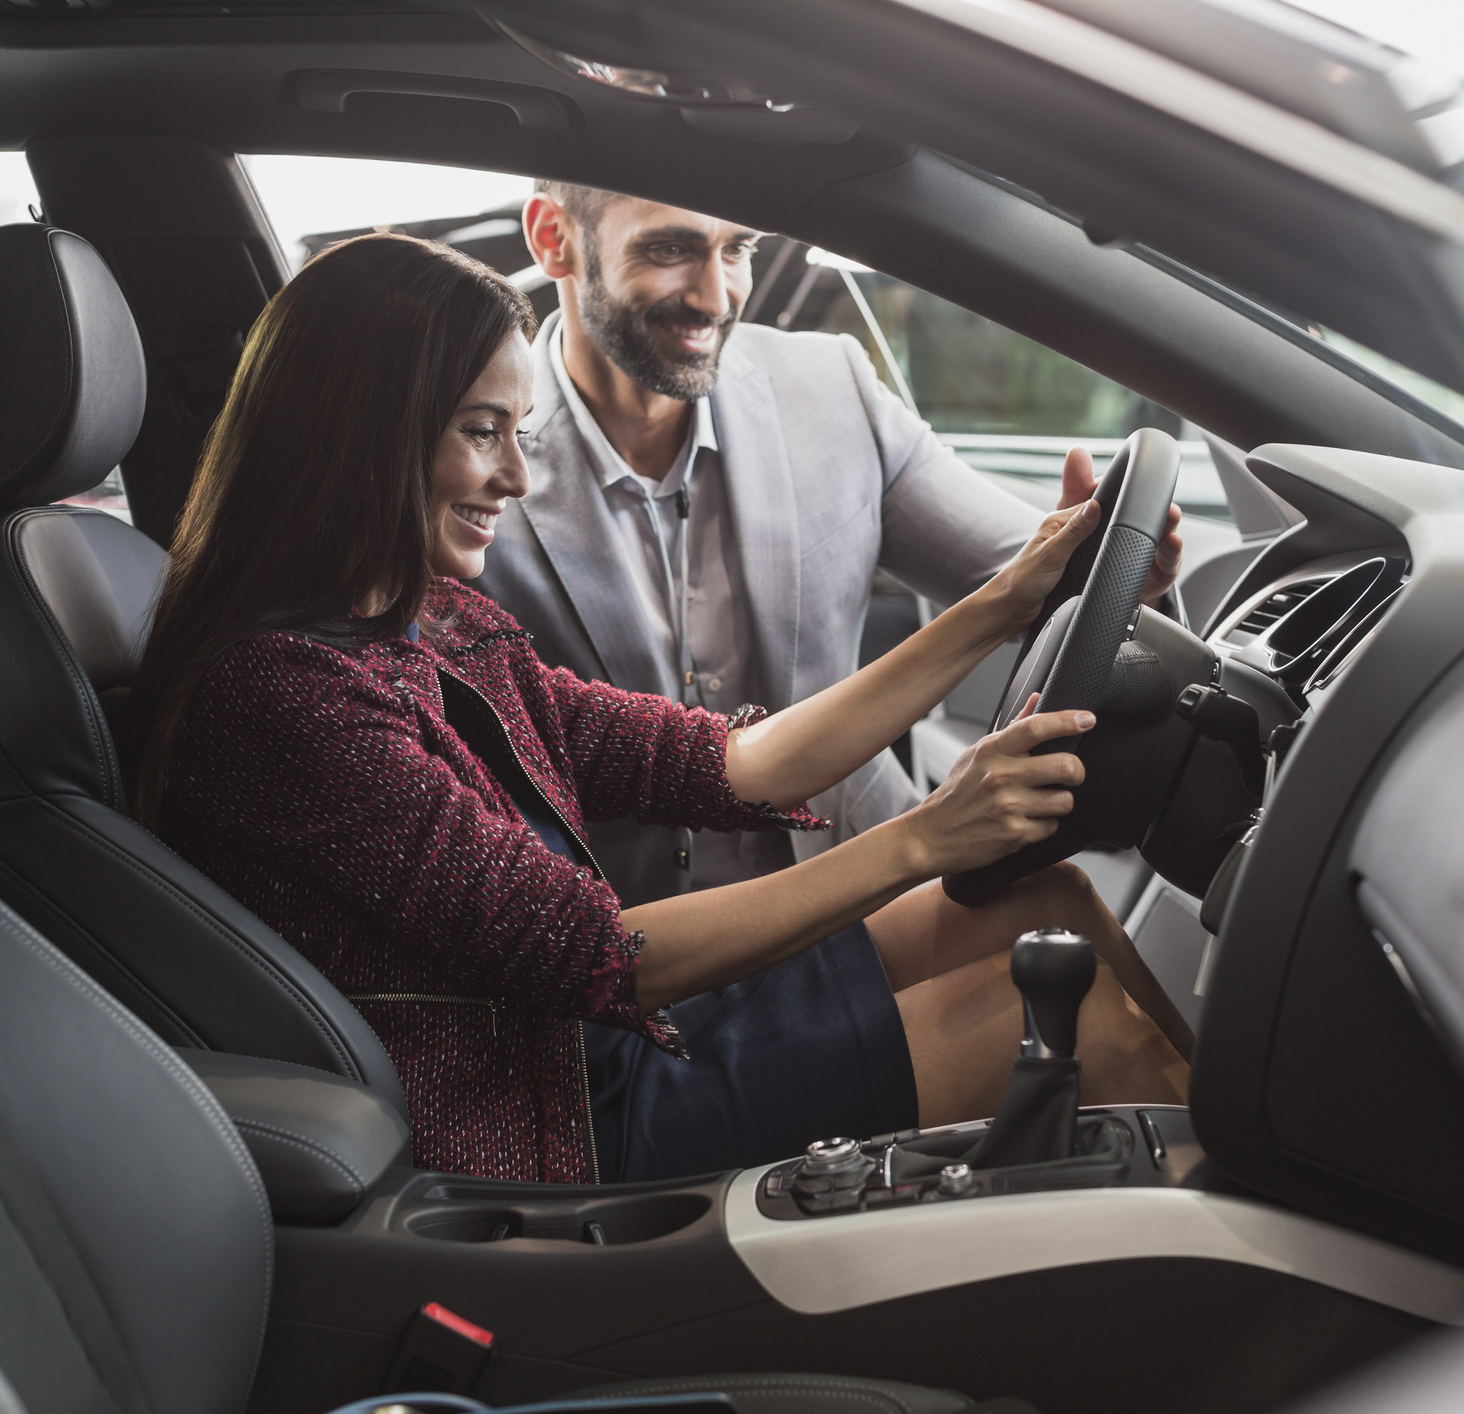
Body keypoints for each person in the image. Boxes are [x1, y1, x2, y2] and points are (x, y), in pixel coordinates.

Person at [133, 234, 1193, 1184]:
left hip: (610, 1044)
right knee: (1072, 1021)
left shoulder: (437, 624)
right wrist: (922, 838)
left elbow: (733, 764)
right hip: (557, 1122)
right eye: (481, 431)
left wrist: (1007, 598)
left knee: (1045, 901)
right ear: (366, 434)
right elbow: (597, 954)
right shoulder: (283, 694)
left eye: (516, 430)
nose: (513, 473)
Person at [476, 182, 1184, 905]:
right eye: (668, 249)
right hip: (645, 942)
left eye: (738, 248)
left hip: (870, 882)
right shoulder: (472, 460)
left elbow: (1033, 581)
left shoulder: (829, 386)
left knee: (1061, 904)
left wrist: (1119, 565)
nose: (715, 297)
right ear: (553, 238)